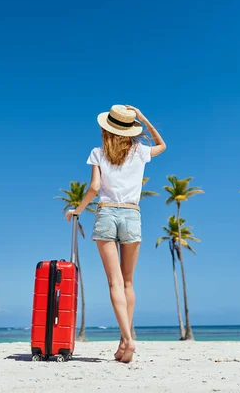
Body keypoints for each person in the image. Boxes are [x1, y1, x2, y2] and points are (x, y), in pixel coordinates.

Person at [66, 104, 166, 363]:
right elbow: (162, 144)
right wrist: (143, 116)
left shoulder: (98, 152)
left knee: (114, 283)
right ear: (131, 130)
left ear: (106, 129)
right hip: (132, 215)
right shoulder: (140, 152)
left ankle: (128, 340)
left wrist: (76, 210)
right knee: (129, 282)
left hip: (107, 214)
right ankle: (125, 341)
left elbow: (94, 187)